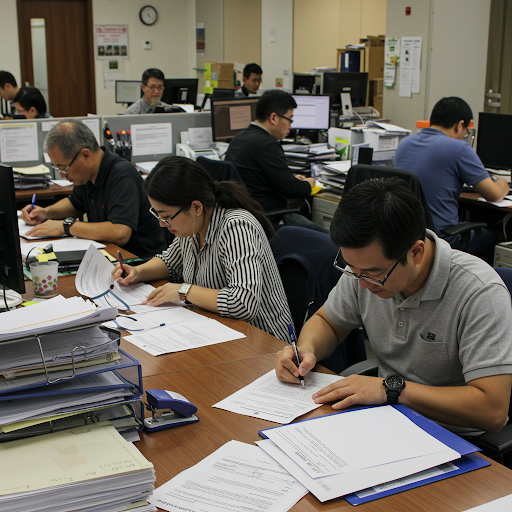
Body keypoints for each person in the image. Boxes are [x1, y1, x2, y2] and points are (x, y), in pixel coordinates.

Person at [275, 177, 512, 435]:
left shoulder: (479, 292)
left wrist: (392, 389)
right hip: (385, 417)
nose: (362, 284)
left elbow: (493, 411)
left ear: (416, 253)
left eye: (373, 274)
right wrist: (306, 350)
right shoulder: (365, 268)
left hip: (450, 435)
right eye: (352, 269)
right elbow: (328, 322)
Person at [112, 156, 293, 342]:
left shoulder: (237, 227)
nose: (161, 224)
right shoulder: (193, 226)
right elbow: (170, 262)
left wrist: (183, 291)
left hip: (263, 341)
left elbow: (243, 302)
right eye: (157, 215)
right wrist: (138, 272)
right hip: (217, 329)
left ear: (196, 207)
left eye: (166, 216)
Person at [20, 120, 166, 260]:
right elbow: (74, 204)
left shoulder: (122, 175)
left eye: (64, 168)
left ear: (86, 155)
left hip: (139, 261)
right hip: (109, 255)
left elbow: (120, 232)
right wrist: (45, 212)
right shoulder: (87, 175)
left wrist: (66, 226)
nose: (62, 175)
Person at [394, 96, 508, 265]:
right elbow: (494, 195)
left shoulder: (405, 144)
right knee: (490, 239)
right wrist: (503, 183)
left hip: (405, 234)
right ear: (459, 125)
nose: (463, 136)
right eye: (465, 132)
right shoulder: (459, 148)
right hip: (442, 239)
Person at [225, 90, 327, 233]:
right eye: (289, 119)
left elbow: (259, 178)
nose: (291, 126)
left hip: (245, 218)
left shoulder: (239, 138)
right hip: (268, 219)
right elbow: (292, 189)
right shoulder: (267, 144)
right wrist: (308, 184)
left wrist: (290, 179)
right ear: (273, 118)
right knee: (329, 239)